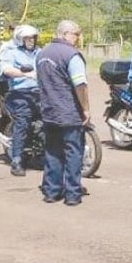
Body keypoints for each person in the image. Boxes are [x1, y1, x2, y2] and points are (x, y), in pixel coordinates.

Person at [36, 20, 91, 206]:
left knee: (52, 153)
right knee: (73, 153)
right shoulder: (72, 55)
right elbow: (80, 85)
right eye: (76, 34)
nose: (78, 38)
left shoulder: (42, 53)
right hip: (69, 113)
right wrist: (85, 109)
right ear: (66, 33)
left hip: (49, 111)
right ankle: (73, 194)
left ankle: (51, 192)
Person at [0, 24, 40, 177]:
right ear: (20, 39)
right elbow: (6, 69)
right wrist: (24, 74)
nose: (31, 41)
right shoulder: (12, 53)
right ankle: (16, 160)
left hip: (40, 92)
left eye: (33, 37)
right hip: (19, 93)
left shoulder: (40, 53)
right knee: (23, 121)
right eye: (27, 38)